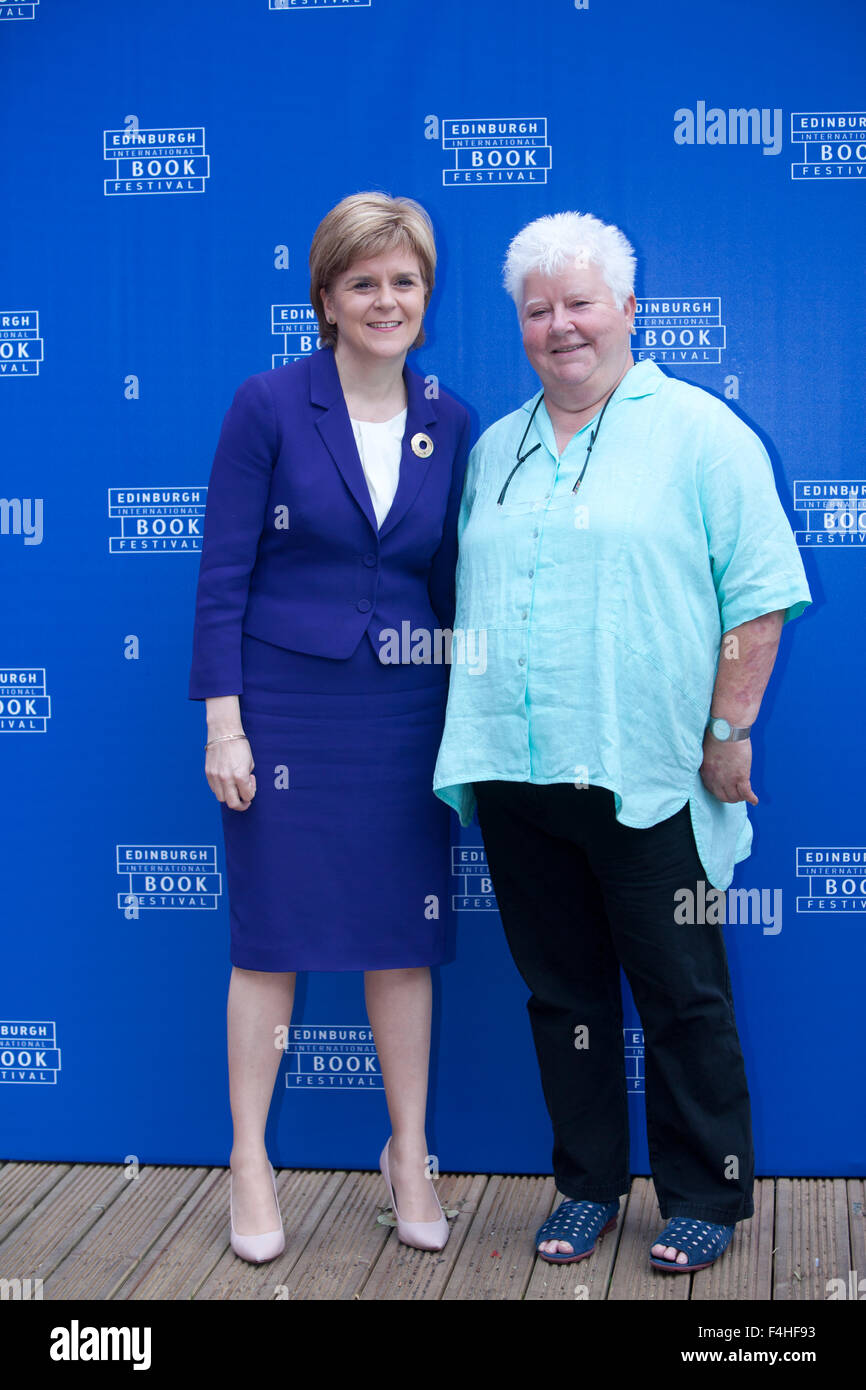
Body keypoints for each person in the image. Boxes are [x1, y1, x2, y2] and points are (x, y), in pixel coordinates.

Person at [432, 211, 811, 1273]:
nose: (559, 325)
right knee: (564, 995)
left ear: (627, 310)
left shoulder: (701, 434)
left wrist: (726, 730)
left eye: (579, 301)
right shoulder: (495, 449)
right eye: (536, 308)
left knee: (683, 995)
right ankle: (585, 1182)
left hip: (650, 773)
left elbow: (761, 599)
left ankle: (704, 1193)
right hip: (517, 773)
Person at [188, 192, 470, 1262]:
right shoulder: (266, 404)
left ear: (424, 297)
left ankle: (408, 1151)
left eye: (403, 281)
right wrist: (225, 725)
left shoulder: (451, 417)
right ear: (325, 298)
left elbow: (451, 586)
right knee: (272, 941)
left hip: (405, 710)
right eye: (363, 282)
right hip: (285, 711)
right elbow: (222, 574)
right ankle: (250, 1160)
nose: (385, 299)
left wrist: (472, 716)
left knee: (403, 942)